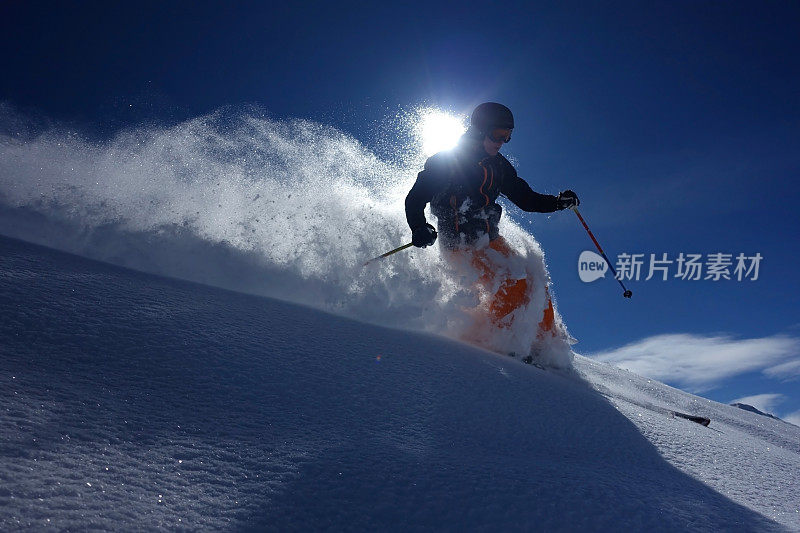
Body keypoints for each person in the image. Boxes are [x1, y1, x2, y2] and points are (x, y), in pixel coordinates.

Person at [405, 102, 579, 348]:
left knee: (534, 281)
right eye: (498, 135)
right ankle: (495, 346)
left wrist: (558, 203)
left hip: (489, 238)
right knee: (510, 283)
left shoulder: (499, 166)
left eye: (507, 137)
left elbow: (526, 199)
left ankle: (545, 348)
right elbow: (415, 198)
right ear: (479, 130)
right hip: (460, 242)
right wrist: (419, 227)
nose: (501, 142)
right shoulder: (447, 161)